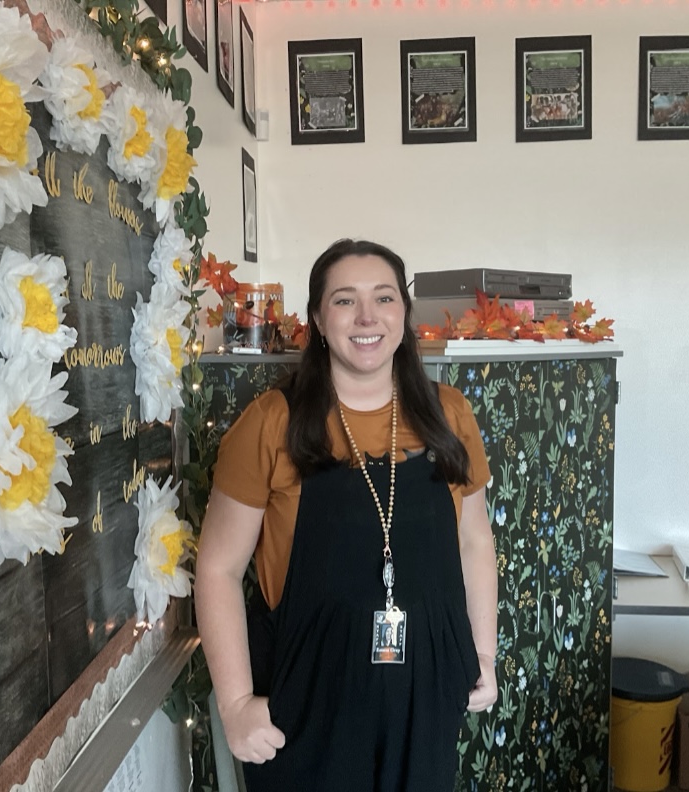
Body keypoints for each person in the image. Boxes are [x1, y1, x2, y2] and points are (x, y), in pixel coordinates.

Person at [194, 239, 498, 792]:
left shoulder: (449, 414)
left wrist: (483, 654)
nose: (366, 317)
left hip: (427, 699)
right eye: (344, 300)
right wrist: (237, 704)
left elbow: (475, 540)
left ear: (404, 315)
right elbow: (216, 569)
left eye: (384, 298)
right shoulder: (270, 424)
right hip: (307, 704)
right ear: (317, 317)